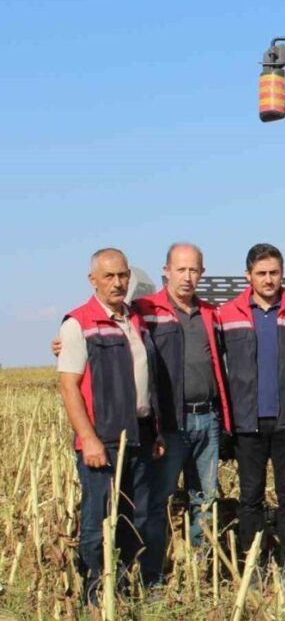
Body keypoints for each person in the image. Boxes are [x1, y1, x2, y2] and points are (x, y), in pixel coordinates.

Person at [57, 248, 164, 605]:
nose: (118, 283)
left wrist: (156, 432)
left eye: (122, 275)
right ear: (93, 281)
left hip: (140, 434)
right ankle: (96, 589)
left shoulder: (135, 319)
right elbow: (69, 385)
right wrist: (88, 438)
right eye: (109, 277)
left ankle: (124, 582)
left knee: (134, 517)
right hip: (104, 439)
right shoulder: (78, 323)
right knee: (99, 518)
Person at [218, 243, 285, 592]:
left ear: (282, 273)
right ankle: (254, 568)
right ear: (248, 276)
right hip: (248, 424)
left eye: (274, 272)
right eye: (261, 273)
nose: (269, 279)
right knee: (251, 497)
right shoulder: (227, 315)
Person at [134, 243, 231, 580]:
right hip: (170, 424)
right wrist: (65, 335)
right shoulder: (146, 311)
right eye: (181, 269)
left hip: (208, 418)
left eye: (194, 270)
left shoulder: (209, 313)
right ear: (166, 270)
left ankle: (199, 570)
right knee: (158, 500)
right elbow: (111, 322)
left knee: (204, 499)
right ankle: (153, 572)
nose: (188, 277)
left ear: (201, 273)